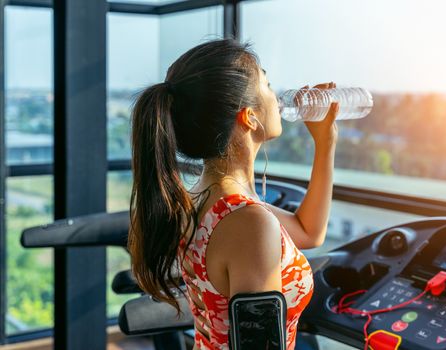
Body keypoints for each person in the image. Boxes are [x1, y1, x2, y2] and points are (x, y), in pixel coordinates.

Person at [128, 39, 339, 349]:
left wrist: (326, 143)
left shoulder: (205, 198)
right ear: (249, 116)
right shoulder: (247, 222)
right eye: (267, 85)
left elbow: (309, 231)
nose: (278, 99)